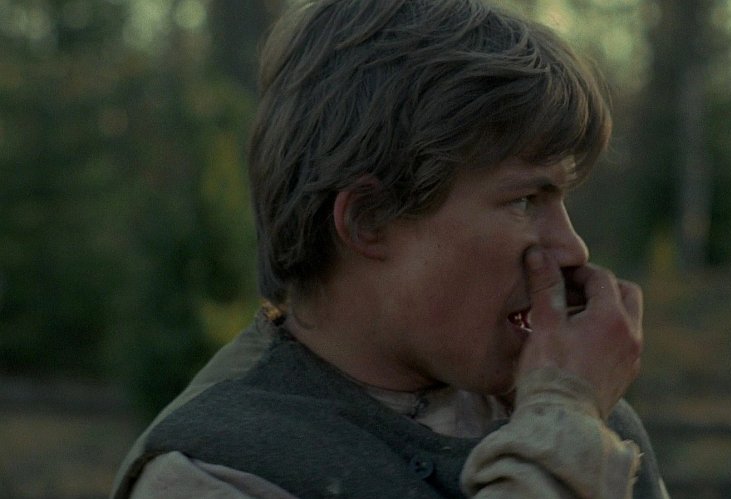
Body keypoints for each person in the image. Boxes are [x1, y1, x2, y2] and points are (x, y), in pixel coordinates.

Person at [112, 0, 669, 497]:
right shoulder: (214, 472)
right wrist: (565, 436)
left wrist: (568, 418)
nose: (572, 249)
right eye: (525, 199)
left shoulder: (577, 416)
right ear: (368, 220)